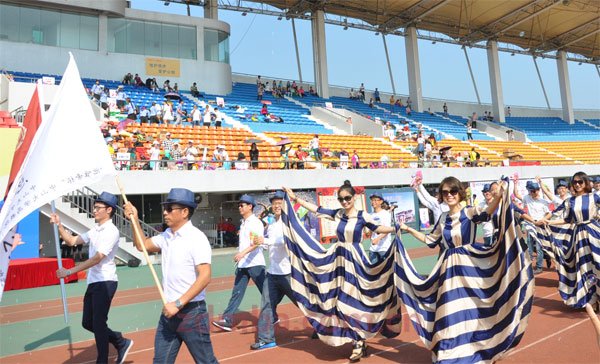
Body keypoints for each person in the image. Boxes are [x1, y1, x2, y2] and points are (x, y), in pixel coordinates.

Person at [398, 177, 533, 363]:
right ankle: (448, 352)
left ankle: (479, 349)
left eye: (453, 191)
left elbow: (486, 213)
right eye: (445, 192)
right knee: (449, 311)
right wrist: (407, 229)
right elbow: (431, 241)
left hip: (469, 269)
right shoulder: (443, 218)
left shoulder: (468, 212)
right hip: (447, 271)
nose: (449, 195)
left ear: (460, 193)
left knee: (473, 310)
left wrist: (500, 196)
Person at [282, 181, 397, 362]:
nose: (344, 202)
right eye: (341, 199)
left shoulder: (362, 216)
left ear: (354, 198)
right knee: (337, 300)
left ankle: (358, 341)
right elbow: (317, 209)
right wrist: (295, 198)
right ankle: (357, 341)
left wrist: (395, 228)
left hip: (355, 260)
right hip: (338, 260)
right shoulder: (338, 214)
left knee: (351, 301)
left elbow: (377, 228)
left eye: (347, 198)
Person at [124, 188, 218, 363]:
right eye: (164, 208)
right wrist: (134, 219)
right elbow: (142, 245)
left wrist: (178, 303)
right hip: (168, 313)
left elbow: (205, 276)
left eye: (169, 208)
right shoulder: (166, 236)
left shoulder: (196, 238)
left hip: (191, 313)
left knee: (206, 361)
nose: (164, 212)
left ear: (184, 212)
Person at [51, 192, 133, 364]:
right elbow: (72, 241)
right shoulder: (95, 230)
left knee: (99, 323)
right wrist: (59, 225)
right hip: (94, 282)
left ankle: (102, 360)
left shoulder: (111, 231)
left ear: (109, 210)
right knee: (88, 323)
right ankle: (120, 341)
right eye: (94, 207)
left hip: (106, 282)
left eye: (98, 208)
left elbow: (98, 257)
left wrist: (70, 271)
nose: (94, 210)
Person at [538, 172, 600, 348]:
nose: (578, 184)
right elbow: (564, 219)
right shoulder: (570, 201)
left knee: (598, 264)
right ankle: (591, 300)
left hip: (594, 233)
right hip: (578, 236)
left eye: (580, 182)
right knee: (584, 268)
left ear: (586, 182)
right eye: (575, 182)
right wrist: (547, 222)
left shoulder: (594, 197)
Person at [250, 191, 297, 350]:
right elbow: (269, 245)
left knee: (304, 303)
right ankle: (266, 338)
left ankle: (323, 327)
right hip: (273, 273)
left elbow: (284, 242)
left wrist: (266, 241)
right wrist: (260, 243)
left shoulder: (290, 223)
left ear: (286, 205)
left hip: (289, 274)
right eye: (275, 203)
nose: (277, 206)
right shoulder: (271, 223)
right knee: (266, 306)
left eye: (280, 202)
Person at [213, 194, 266, 332]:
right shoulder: (244, 223)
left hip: (255, 264)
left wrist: (242, 253)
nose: (239, 207)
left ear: (250, 207)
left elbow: (256, 243)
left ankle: (274, 315)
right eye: (239, 205)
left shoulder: (254, 223)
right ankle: (227, 320)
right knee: (237, 292)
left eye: (242, 205)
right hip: (243, 265)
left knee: (266, 292)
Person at [513, 179, 552, 274]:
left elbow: (549, 214)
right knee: (529, 246)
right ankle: (530, 265)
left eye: (534, 191)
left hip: (540, 226)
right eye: (531, 191)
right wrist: (515, 183)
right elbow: (516, 195)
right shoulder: (527, 198)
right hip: (530, 224)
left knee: (539, 247)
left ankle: (539, 266)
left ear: (538, 190)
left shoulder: (543, 202)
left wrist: (542, 221)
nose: (532, 193)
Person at [367, 193, 392, 265]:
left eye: (375, 200)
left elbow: (387, 230)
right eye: (372, 200)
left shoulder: (385, 214)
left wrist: (377, 239)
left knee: (385, 270)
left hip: (384, 248)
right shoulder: (370, 215)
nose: (373, 202)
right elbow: (371, 231)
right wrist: (368, 232)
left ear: (381, 201)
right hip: (373, 248)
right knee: (373, 270)